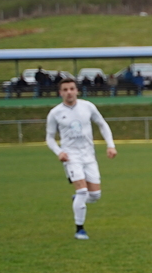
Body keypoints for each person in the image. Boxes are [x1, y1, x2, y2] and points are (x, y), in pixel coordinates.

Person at [45, 78, 117, 239]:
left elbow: (102, 124)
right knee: (82, 191)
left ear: (77, 90)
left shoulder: (88, 106)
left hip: (89, 155)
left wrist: (110, 145)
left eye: (71, 88)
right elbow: (49, 138)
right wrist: (59, 152)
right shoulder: (55, 113)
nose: (69, 92)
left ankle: (77, 199)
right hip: (71, 157)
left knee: (95, 195)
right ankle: (80, 229)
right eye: (65, 89)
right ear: (60, 93)